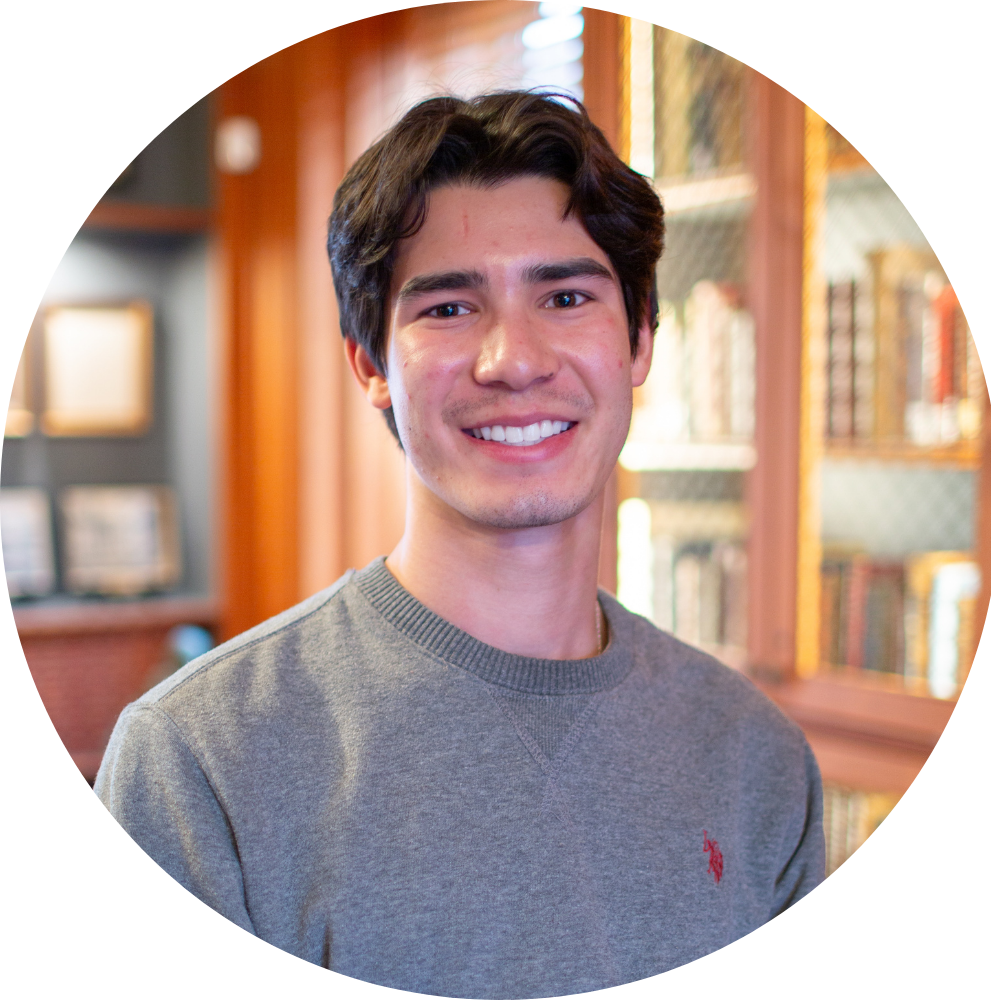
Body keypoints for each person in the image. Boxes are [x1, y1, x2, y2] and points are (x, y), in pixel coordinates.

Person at [96, 90, 825, 998]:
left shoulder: (759, 763)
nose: (513, 360)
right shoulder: (200, 763)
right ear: (370, 364)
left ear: (640, 339)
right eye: (447, 309)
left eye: (565, 296)